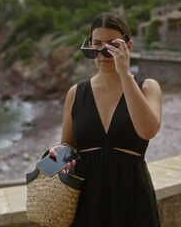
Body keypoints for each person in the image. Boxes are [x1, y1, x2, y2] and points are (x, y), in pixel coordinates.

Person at [49, 12, 162, 226]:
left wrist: (125, 74)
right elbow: (69, 144)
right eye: (96, 44)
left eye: (111, 46)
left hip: (132, 195)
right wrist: (58, 152)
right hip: (86, 199)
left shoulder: (147, 87)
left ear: (128, 46)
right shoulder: (76, 93)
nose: (102, 53)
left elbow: (148, 131)